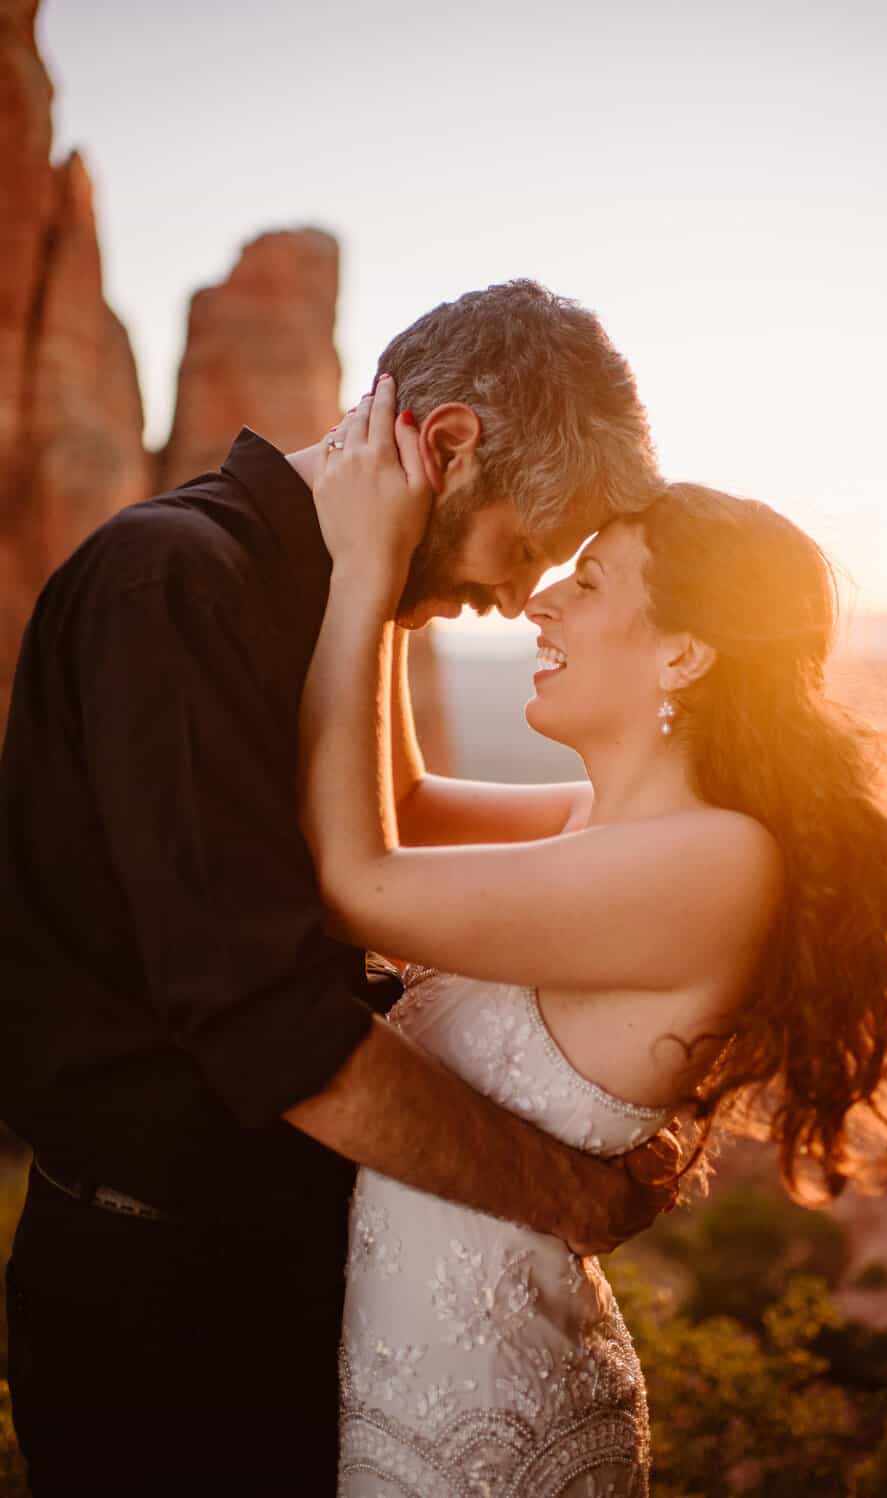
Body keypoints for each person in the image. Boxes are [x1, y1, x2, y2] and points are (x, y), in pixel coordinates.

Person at [0, 281, 678, 1497]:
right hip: (170, 1308)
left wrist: (671, 841)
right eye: (525, 544)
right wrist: (567, 1191)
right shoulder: (174, 584)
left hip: (303, 1261)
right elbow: (271, 1031)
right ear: (453, 443)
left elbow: (398, 819)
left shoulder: (326, 577)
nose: (516, 594)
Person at [300, 380, 887, 1496]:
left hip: (489, 1425)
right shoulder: (607, 823)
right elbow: (409, 802)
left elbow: (357, 879)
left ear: (684, 654)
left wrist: (362, 569)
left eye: (584, 582)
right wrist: (414, 578)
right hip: (418, 1395)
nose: (541, 606)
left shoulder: (715, 862)